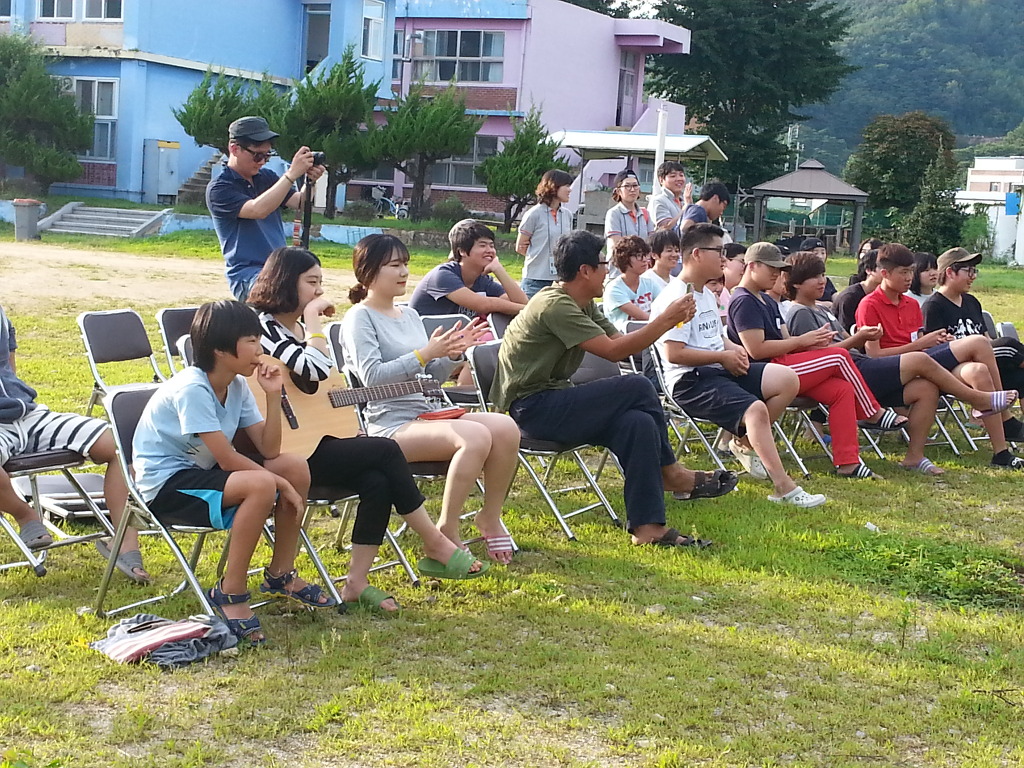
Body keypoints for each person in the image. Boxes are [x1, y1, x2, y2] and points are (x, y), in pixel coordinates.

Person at [248, 247, 489, 610]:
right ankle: (434, 541)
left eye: (320, 282)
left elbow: (323, 386)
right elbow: (313, 368)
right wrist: (314, 322)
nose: (319, 291)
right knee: (385, 450)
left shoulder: (299, 328)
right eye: (311, 282)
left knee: (377, 481)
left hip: (315, 439)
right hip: (282, 449)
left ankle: (356, 583)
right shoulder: (263, 327)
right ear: (284, 282)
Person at [490, 229, 738, 549]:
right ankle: (673, 474)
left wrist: (665, 322)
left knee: (638, 422)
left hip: (554, 401)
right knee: (637, 385)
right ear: (585, 271)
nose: (608, 271)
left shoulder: (582, 304)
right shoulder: (555, 305)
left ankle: (647, 528)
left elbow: (622, 343)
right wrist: (665, 321)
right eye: (604, 264)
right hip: (531, 410)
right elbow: (613, 352)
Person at [132, 301, 336, 646]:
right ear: (221, 350)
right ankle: (230, 591)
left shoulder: (237, 385)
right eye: (251, 341)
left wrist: (274, 396)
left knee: (294, 466)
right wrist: (279, 484)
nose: (260, 350)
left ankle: (280, 574)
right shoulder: (193, 388)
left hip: (203, 473)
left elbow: (269, 450)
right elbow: (227, 459)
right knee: (263, 483)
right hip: (167, 486)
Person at [341, 234, 521, 563]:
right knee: (476, 436)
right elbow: (372, 378)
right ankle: (446, 530)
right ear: (368, 271)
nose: (404, 272)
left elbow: (430, 378)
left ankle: (489, 517)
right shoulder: (359, 317)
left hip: (430, 411)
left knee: (506, 428)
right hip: (391, 423)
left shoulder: (409, 315)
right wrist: (424, 353)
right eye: (394, 265)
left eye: (405, 264)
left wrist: (452, 355)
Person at [786, 251, 1016, 475]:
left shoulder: (823, 311)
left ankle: (914, 457)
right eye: (903, 272)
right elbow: (822, 359)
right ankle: (983, 402)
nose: (822, 281)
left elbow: (851, 343)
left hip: (875, 367)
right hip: (861, 373)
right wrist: (863, 339)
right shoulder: (805, 312)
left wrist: (863, 337)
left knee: (927, 388)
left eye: (823, 275)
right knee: (972, 344)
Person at [651, 224, 826, 506]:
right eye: (718, 251)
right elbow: (675, 354)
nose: (725, 258)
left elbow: (716, 338)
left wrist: (734, 350)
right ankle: (784, 488)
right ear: (697, 254)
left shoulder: (705, 293)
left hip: (717, 369)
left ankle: (744, 442)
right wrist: (723, 357)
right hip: (690, 381)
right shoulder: (676, 298)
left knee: (787, 379)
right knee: (755, 410)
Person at [727, 242, 907, 479]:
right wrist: (804, 341)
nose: (777, 274)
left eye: (779, 269)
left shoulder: (767, 300)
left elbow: (787, 341)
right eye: (771, 268)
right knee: (840, 356)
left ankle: (848, 463)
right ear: (752, 266)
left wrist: (813, 343)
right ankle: (872, 413)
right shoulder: (744, 300)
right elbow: (756, 349)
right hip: (761, 373)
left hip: (781, 367)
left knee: (842, 390)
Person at [0, 304, 145, 581]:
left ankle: (123, 541)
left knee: (120, 444)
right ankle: (25, 515)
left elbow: (9, 366)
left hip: (28, 415)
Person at [854, 243, 1024, 470]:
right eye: (903, 272)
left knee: (978, 371)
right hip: (892, 372)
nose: (909, 278)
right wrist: (921, 344)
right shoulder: (869, 305)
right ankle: (1001, 414)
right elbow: (874, 355)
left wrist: (936, 342)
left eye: (911, 271)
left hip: (922, 366)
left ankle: (1000, 453)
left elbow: (919, 343)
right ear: (884, 273)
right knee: (979, 342)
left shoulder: (911, 304)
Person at [205, 116, 326, 302]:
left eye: (267, 156)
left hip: (279, 268)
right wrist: (291, 175)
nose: (262, 162)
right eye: (257, 156)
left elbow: (299, 202)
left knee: (309, 290)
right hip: (247, 274)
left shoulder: (266, 177)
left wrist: (310, 182)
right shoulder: (220, 188)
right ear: (234, 149)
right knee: (286, 293)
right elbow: (257, 210)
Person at [921, 247, 1024, 440]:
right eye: (969, 271)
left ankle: (1012, 428)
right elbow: (935, 351)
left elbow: (986, 338)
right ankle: (1005, 419)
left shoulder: (971, 302)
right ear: (950, 272)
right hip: (957, 368)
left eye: (974, 271)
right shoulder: (933, 306)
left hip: (985, 360)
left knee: (1020, 375)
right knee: (1008, 345)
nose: (973, 276)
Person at [410, 219, 528, 320]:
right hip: (426, 336)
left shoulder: (482, 280)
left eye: (491, 246)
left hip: (458, 336)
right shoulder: (443, 275)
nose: (489, 250)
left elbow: (521, 302)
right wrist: (528, 310)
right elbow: (483, 305)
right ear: (462, 251)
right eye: (482, 245)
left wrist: (499, 270)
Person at [517, 169, 575, 299]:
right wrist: (540, 258)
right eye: (566, 185)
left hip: (559, 281)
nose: (570, 190)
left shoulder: (567, 215)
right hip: (535, 280)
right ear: (553, 186)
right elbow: (520, 247)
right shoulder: (533, 214)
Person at [604, 169, 654, 281]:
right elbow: (617, 244)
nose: (632, 189)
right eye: (627, 186)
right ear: (618, 191)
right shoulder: (614, 213)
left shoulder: (645, 213)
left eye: (635, 185)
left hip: (642, 274)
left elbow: (651, 242)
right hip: (618, 274)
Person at [602, 236, 660, 332]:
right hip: (622, 336)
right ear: (625, 258)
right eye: (639, 255)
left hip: (648, 333)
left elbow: (665, 304)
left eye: (645, 255)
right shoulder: (614, 289)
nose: (644, 260)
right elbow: (643, 317)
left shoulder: (650, 283)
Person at [833, 248, 881, 333]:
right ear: (868, 270)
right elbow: (844, 332)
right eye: (883, 268)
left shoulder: (890, 295)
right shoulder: (850, 297)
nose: (888, 272)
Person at [647, 161, 693, 231]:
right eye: (673, 176)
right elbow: (665, 228)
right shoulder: (658, 200)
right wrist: (686, 207)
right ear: (661, 180)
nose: (679, 179)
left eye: (681, 175)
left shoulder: (683, 201)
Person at [799, 237, 838, 304]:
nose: (820, 256)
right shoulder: (798, 278)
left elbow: (834, 294)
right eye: (815, 253)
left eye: (823, 253)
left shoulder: (826, 280)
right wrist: (822, 304)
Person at [643, 229, 681, 294]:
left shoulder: (676, 282)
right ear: (654, 255)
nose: (674, 254)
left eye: (677, 251)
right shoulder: (645, 281)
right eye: (669, 250)